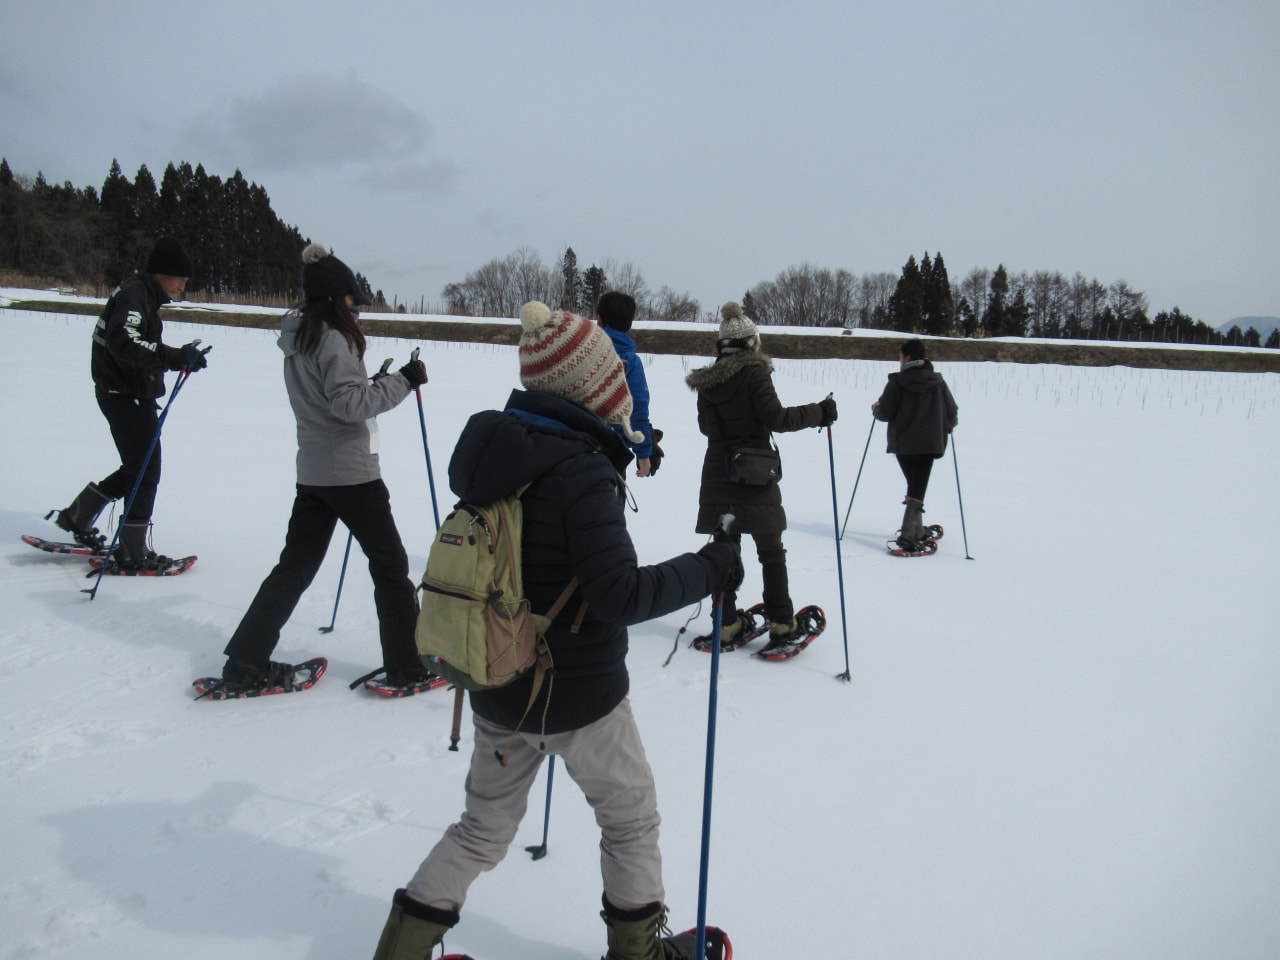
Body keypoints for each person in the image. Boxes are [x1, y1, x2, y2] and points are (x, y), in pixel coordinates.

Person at [370, 301, 742, 960]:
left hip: (496, 686)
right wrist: (708, 567)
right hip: (583, 697)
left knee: (481, 831)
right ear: (592, 389)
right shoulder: (584, 471)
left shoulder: (493, 454)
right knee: (630, 822)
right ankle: (637, 954)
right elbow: (619, 594)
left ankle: (399, 952)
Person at [214, 243, 436, 696]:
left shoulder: (300, 336)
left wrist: (372, 382)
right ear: (336, 299)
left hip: (314, 472)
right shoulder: (333, 338)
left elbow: (331, 397)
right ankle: (409, 667)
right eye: (353, 304)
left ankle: (244, 661)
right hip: (351, 474)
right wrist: (402, 381)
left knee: (294, 567)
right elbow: (348, 405)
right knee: (391, 568)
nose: (357, 313)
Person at [48, 236, 209, 569]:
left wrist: (181, 359)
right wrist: (174, 356)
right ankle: (133, 551)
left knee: (139, 468)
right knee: (146, 471)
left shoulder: (142, 295)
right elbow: (125, 342)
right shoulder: (136, 296)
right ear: (163, 273)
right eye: (181, 278)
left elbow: (136, 346)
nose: (182, 286)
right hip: (125, 395)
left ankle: (79, 517)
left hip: (127, 394)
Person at [685, 301, 837, 654]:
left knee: (725, 552)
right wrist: (820, 412)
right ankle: (783, 623)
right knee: (771, 551)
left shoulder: (707, 382)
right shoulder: (755, 373)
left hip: (718, 474)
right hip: (755, 474)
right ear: (752, 342)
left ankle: (727, 624)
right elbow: (777, 419)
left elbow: (706, 428)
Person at [871, 338, 959, 552]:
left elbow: (885, 413)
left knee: (915, 485)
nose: (899, 361)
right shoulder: (937, 382)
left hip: (903, 444)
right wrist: (949, 425)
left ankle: (912, 532)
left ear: (908, 357)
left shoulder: (897, 382)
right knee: (916, 486)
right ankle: (912, 532)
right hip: (930, 443)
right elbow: (952, 410)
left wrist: (875, 408)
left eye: (900, 356)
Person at [595, 291, 658, 476]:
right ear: (629, 326)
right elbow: (636, 409)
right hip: (609, 452)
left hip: (566, 444)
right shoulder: (630, 362)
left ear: (598, 319)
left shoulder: (577, 350)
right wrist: (644, 454)